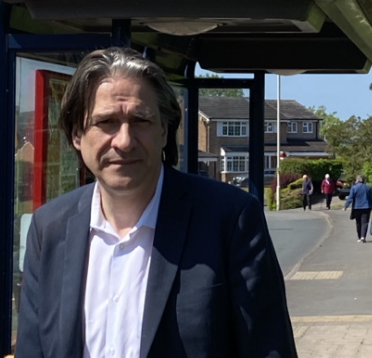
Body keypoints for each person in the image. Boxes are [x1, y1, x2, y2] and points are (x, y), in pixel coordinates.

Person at [16, 47, 297, 358]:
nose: (124, 140)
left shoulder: (230, 219)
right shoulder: (50, 228)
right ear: (77, 135)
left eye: (140, 120)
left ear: (164, 130)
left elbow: (268, 349)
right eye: (107, 122)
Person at [342, 175, 372, 243]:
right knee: (365, 222)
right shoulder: (368, 188)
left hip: (357, 207)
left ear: (357, 180)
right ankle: (363, 237)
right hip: (366, 207)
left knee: (358, 222)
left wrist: (345, 206)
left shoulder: (354, 188)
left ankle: (359, 237)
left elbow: (350, 198)